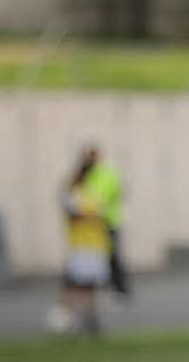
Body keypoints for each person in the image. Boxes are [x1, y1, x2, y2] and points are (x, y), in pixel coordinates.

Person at [46, 149, 112, 336]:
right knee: (74, 285)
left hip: (96, 245)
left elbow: (100, 216)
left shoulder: (92, 195)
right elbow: (73, 215)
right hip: (81, 247)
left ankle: (90, 320)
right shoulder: (73, 194)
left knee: (90, 285)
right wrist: (90, 218)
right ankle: (62, 320)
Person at [82, 144, 131, 296]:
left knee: (113, 256)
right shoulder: (85, 175)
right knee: (95, 257)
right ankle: (102, 286)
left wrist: (95, 206)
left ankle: (121, 288)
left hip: (108, 221)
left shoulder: (107, 174)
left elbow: (111, 194)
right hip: (91, 223)